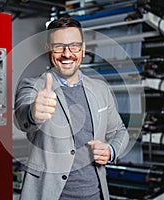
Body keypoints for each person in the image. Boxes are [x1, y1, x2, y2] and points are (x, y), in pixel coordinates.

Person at [14, 17, 129, 200]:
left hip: (96, 195)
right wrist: (33, 113)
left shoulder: (100, 88)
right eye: (59, 46)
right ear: (48, 49)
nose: (67, 54)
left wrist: (111, 150)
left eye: (74, 46)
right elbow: (22, 116)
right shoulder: (33, 86)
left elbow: (120, 131)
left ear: (83, 49)